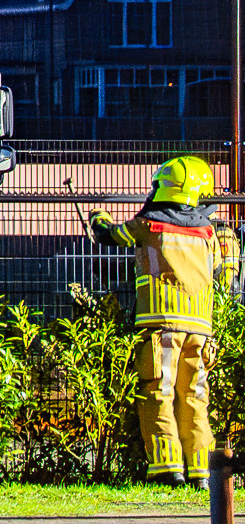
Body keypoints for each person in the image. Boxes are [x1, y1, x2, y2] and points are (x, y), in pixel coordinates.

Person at [89, 155, 240, 486]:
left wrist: (98, 217)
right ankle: (202, 473)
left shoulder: (148, 225)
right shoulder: (209, 233)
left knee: (158, 394)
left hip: (160, 328)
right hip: (200, 331)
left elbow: (109, 235)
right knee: (195, 399)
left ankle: (167, 470)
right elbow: (222, 273)